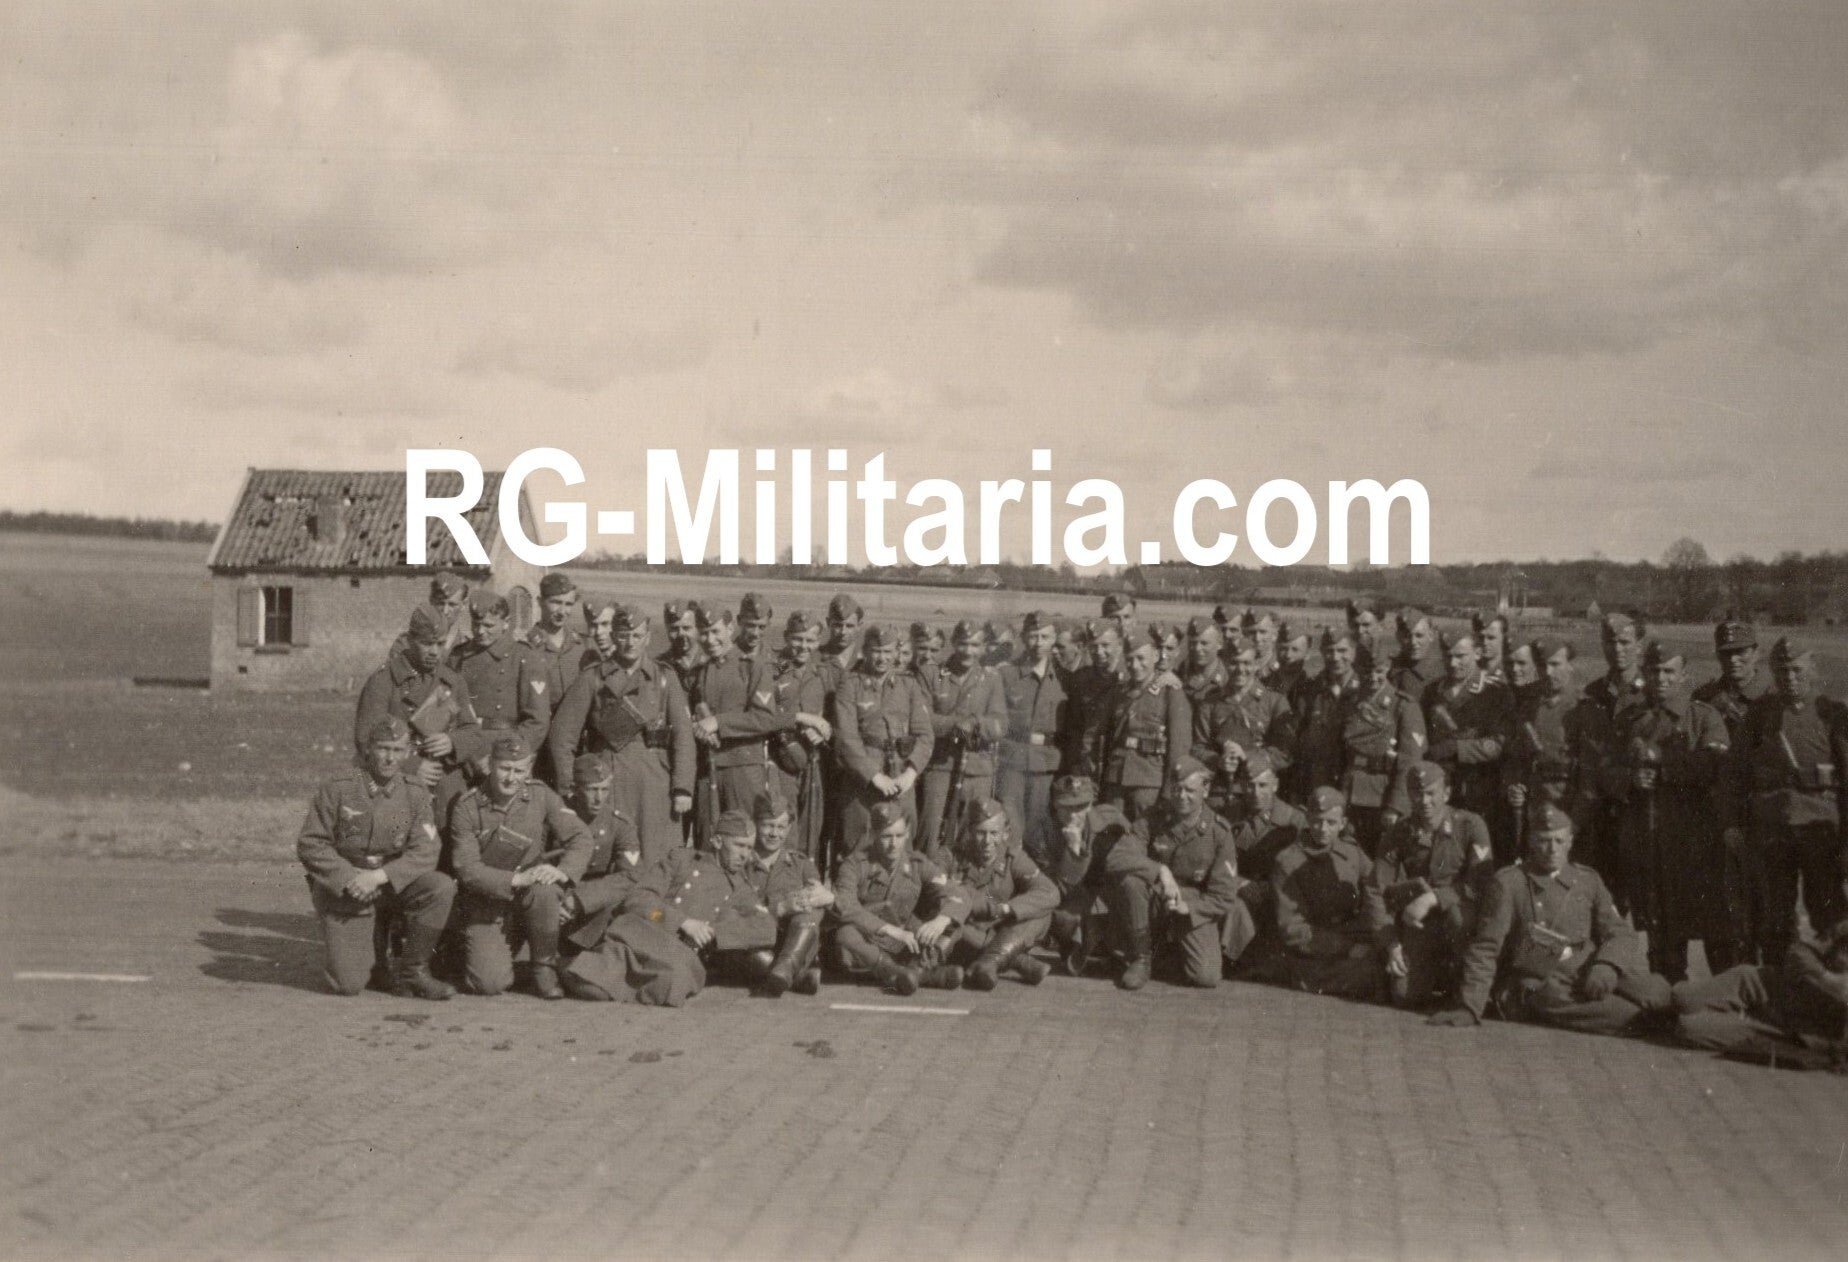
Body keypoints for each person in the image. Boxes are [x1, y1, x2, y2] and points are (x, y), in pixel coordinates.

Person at [1430, 801, 1672, 1036]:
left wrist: (1606, 965)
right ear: (1532, 842)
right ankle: (1661, 1024)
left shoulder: (1588, 880)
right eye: (1544, 841)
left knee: (1658, 993)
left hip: (1587, 968)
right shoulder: (1509, 883)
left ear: (1570, 842)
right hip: (1540, 982)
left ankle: (1670, 1016)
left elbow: (1619, 931)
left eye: (1558, 841)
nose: (1552, 849)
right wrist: (1469, 1006)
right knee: (1632, 1016)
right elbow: (1486, 947)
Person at [296, 717, 456, 999]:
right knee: (349, 984)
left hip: (387, 883)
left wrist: (379, 877)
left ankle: (413, 971)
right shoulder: (339, 788)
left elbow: (426, 850)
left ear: (408, 752)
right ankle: (372, 952)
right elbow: (311, 843)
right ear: (369, 749)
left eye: (397, 750)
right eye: (383, 748)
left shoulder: (415, 793)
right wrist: (349, 878)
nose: (389, 757)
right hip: (347, 889)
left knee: (440, 887)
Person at [1611, 642, 1732, 982]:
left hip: (1691, 841)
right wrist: (1630, 779)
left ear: (1684, 676)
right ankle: (1665, 990)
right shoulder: (1630, 719)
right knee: (1655, 922)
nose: (1661, 679)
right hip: (1644, 835)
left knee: (1707, 923)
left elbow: (1714, 766)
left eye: (1669, 672)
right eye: (1654, 671)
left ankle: (1725, 1000)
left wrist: (1664, 769)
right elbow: (1606, 768)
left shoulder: (1703, 717)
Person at [546, 602, 695, 864]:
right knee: (611, 855)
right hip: (608, 780)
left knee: (655, 856)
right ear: (614, 636)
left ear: (648, 638)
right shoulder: (593, 678)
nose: (630, 643)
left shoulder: (664, 677)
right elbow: (562, 737)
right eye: (624, 636)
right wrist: (571, 787)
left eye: (637, 636)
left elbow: (683, 736)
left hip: (654, 780)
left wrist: (682, 787)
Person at [448, 734, 595, 999]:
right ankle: (504, 957)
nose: (511, 778)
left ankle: (544, 966)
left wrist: (562, 871)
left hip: (531, 898)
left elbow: (581, 837)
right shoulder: (467, 807)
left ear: (528, 769)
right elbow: (467, 869)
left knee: (546, 889)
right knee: (489, 984)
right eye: (505, 768)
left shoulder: (540, 795)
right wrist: (516, 879)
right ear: (490, 764)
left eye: (519, 770)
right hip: (487, 902)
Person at [1734, 639, 1848, 963]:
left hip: (1819, 829)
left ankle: (1834, 995)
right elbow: (1736, 774)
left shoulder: (1832, 714)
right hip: (1773, 830)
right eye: (1782, 670)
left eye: (1797, 669)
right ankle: (1780, 997)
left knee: (1831, 917)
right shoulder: (1759, 716)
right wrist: (1734, 824)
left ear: (1812, 670)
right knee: (1776, 919)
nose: (1790, 677)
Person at [1366, 763, 1494, 1008]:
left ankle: (1466, 979)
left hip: (1461, 920)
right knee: (1404, 996)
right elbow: (1376, 890)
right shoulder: (1399, 832)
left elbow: (1481, 881)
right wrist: (1391, 944)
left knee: (1458, 917)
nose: (1424, 800)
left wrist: (1434, 898)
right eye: (1416, 792)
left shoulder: (1470, 826)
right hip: (1421, 924)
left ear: (1446, 793)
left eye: (1431, 793)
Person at [353, 605, 487, 827]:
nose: (435, 651)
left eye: (441, 643)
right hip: (396, 785)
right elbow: (366, 739)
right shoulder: (383, 681)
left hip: (446, 788)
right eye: (427, 643)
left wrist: (452, 742)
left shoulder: (452, 682)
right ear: (410, 639)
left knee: (448, 852)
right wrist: (412, 767)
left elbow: (472, 731)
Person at [1130, 758, 1259, 987]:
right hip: (1155, 897)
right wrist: (1160, 871)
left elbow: (1224, 896)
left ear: (1206, 790)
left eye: (1190, 790)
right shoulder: (1153, 819)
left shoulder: (1219, 832)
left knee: (1206, 976)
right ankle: (1141, 955)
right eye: (1177, 789)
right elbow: (1120, 856)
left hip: (1191, 909)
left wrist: (1188, 907)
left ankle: (1166, 954)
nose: (1181, 796)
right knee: (1131, 881)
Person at [690, 605, 817, 832]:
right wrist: (698, 725)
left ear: (730, 629)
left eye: (716, 632)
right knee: (708, 841)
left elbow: (763, 718)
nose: (710, 639)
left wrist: (718, 722)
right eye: (704, 632)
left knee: (744, 836)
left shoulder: (753, 667)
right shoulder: (700, 670)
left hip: (743, 769)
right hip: (707, 767)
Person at [1672, 918, 1848, 1068]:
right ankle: (1654, 1000)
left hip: (1783, 1028)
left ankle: (1659, 1016)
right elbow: (1799, 952)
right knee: (1684, 998)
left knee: (1688, 1028)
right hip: (1765, 985)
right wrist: (1828, 980)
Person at [830, 800, 963, 993]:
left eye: (899, 836)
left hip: (905, 940)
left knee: (954, 919)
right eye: (886, 836)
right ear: (873, 834)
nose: (894, 844)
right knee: (845, 934)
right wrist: (888, 929)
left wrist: (941, 920)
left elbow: (957, 894)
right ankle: (906, 974)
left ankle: (917, 970)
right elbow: (845, 905)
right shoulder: (855, 864)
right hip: (870, 941)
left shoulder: (917, 863)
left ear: (907, 833)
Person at [1692, 617, 1764, 970]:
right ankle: (1724, 986)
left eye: (1741, 652)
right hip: (1712, 814)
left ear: (1756, 653)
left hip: (1759, 815)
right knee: (1717, 909)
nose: (1734, 660)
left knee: (1764, 909)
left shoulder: (1771, 697)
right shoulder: (1705, 698)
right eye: (1726, 654)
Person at [1030, 774, 1150, 987]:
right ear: (1055, 807)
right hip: (1074, 898)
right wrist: (1074, 852)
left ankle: (1138, 955)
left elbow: (1131, 857)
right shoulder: (1042, 833)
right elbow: (1055, 888)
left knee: (1132, 884)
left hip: (1108, 892)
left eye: (1081, 807)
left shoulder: (1109, 817)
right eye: (1066, 808)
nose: (1075, 815)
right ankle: (1088, 943)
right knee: (1063, 916)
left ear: (1091, 804)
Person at [932, 797, 1058, 989]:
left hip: (1003, 927)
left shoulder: (1012, 858)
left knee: (1042, 914)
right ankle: (1015, 961)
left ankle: (988, 963)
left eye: (994, 833)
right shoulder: (949, 856)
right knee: (950, 925)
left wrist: (1008, 908)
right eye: (980, 833)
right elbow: (937, 894)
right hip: (967, 934)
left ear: (1005, 833)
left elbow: (1050, 892)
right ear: (968, 832)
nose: (988, 841)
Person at [1270, 787, 1383, 1000]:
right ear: (1306, 818)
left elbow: (1376, 887)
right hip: (1314, 947)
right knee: (1368, 973)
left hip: (1350, 932)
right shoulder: (1287, 862)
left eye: (1331, 823)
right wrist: (1346, 947)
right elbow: (1292, 929)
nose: (1323, 829)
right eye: (1317, 821)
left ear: (1342, 823)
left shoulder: (1351, 851)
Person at [831, 624, 934, 857]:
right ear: (865, 651)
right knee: (859, 845)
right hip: (863, 782)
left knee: (901, 847)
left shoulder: (909, 686)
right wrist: (874, 776)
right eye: (876, 651)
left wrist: (910, 774)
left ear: (896, 653)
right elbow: (846, 737)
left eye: (888, 652)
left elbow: (925, 735)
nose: (882, 658)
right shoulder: (850, 685)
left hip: (901, 779)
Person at [1573, 612, 1649, 908]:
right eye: (1610, 642)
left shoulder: (1652, 691)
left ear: (1640, 645)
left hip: (1638, 810)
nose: (1617, 649)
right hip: (1599, 812)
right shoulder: (1593, 693)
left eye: (1625, 642)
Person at [917, 620, 1007, 858]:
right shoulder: (933, 674)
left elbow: (1000, 723)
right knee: (930, 830)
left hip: (977, 769)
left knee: (974, 830)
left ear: (984, 646)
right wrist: (955, 725)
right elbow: (922, 718)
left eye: (975, 645)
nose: (968, 651)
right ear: (954, 643)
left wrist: (976, 724)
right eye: (963, 644)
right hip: (940, 765)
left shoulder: (991, 678)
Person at [1420, 629, 1512, 852]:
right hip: (1441, 789)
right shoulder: (1432, 691)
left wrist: (1456, 748)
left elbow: (1498, 744)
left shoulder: (1494, 692)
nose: (1453, 663)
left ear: (1478, 653)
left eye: (1461, 656)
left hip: (1478, 788)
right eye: (1448, 656)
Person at [1337, 639, 1426, 857]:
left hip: (1382, 798)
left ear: (1387, 669)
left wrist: (1396, 806)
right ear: (1357, 668)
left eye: (1379, 670)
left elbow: (1410, 762)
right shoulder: (1349, 701)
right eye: (1366, 670)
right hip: (1348, 794)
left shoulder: (1403, 705)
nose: (1373, 677)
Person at [996, 610, 1072, 863]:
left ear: (1054, 640)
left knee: (1038, 828)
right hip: (1012, 762)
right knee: (1010, 826)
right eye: (1033, 636)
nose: (1038, 643)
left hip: (1045, 765)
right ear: (1023, 638)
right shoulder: (1007, 675)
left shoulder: (1065, 679)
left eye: (1045, 637)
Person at [743, 792, 833, 997]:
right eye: (768, 825)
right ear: (755, 824)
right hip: (756, 943)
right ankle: (796, 976)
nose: (774, 833)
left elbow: (816, 894)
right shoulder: (741, 863)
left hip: (792, 941)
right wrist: (781, 908)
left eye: (781, 827)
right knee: (750, 953)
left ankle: (785, 969)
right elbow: (738, 914)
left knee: (811, 908)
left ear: (789, 829)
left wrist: (805, 900)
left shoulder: (800, 864)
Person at [447, 589, 550, 764]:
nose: (480, 631)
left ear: (506, 623)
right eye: (476, 623)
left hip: (504, 750)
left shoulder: (523, 657)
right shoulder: (458, 656)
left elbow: (536, 721)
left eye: (488, 625)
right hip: (462, 747)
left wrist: (508, 756)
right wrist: (456, 746)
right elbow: (443, 707)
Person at [1097, 631, 1190, 822]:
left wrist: (1168, 791)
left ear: (1156, 657)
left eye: (1141, 658)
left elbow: (1178, 748)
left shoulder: (1170, 692)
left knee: (1144, 836)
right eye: (1130, 659)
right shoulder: (1119, 692)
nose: (1135, 665)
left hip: (1150, 782)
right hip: (1116, 779)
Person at [767, 611, 832, 864]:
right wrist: (804, 719)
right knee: (785, 825)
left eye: (810, 641)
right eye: (797, 639)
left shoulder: (823, 672)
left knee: (811, 829)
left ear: (817, 642)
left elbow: (835, 714)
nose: (803, 646)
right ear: (786, 638)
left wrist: (825, 731)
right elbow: (766, 713)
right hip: (781, 759)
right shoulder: (772, 670)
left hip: (814, 761)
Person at [1192, 637, 1296, 787]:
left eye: (1247, 663)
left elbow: (1284, 753)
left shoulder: (1275, 701)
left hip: (1259, 788)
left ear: (1256, 664)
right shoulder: (1210, 703)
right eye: (1234, 663)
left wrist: (1247, 757)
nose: (1240, 670)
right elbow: (1197, 748)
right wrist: (1218, 760)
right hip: (1219, 787)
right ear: (1225, 663)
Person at [523, 572, 592, 728]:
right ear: (540, 602)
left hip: (575, 734)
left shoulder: (583, 646)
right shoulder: (525, 647)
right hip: (538, 733)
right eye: (556, 602)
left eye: (568, 604)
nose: (562, 611)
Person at [655, 598, 705, 696]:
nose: (681, 634)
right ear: (667, 630)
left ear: (698, 629)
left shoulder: (710, 662)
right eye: (674, 629)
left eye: (686, 628)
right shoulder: (659, 666)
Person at [1180, 616, 1228, 709]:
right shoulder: (1181, 671)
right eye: (1193, 643)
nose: (1197, 648)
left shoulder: (1227, 679)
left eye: (1204, 643)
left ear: (1220, 644)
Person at [735, 592, 772, 667]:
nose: (755, 633)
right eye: (750, 626)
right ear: (739, 621)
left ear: (768, 624)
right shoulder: (725, 656)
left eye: (762, 627)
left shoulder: (774, 660)